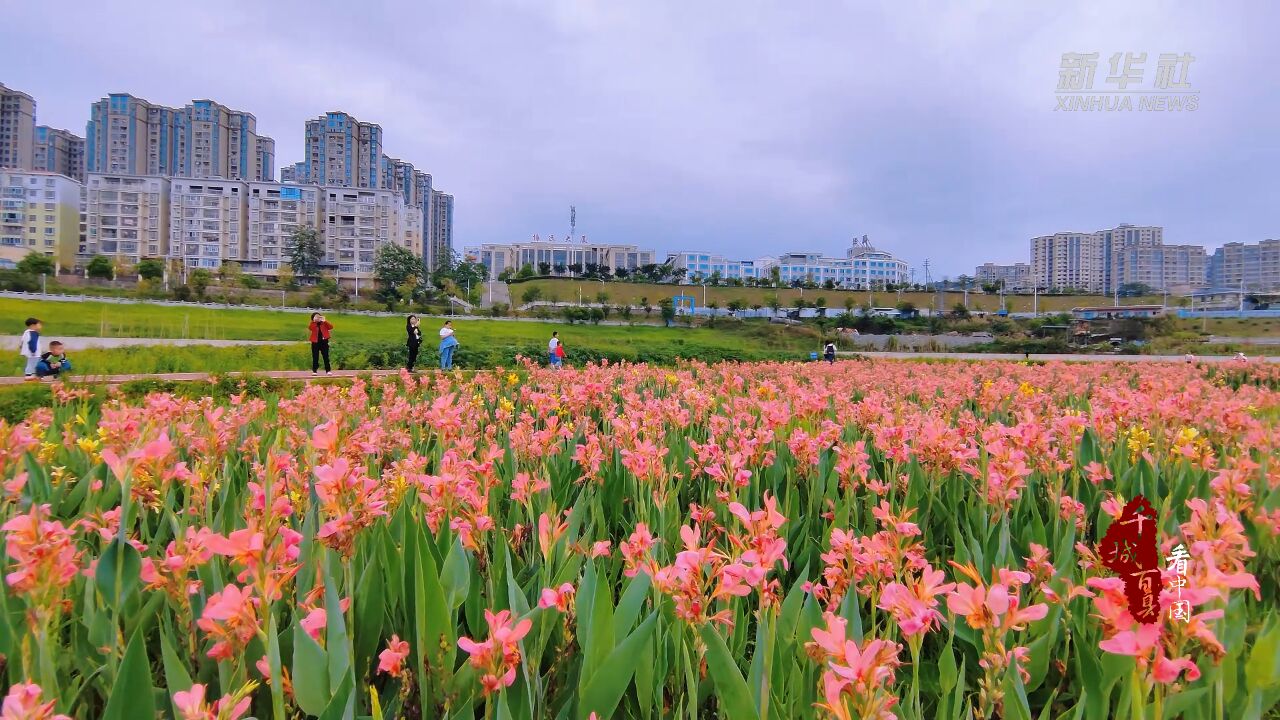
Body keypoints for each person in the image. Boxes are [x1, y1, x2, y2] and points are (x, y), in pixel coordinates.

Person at [19, 317, 41, 382]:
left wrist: (21, 348)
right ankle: (29, 376)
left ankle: (29, 375)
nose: (40, 326)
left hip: (28, 352)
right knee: (33, 364)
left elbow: (22, 342)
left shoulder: (26, 332)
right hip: (34, 353)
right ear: (33, 325)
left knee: (30, 363)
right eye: (38, 324)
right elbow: (32, 342)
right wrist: (33, 351)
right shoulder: (33, 333)